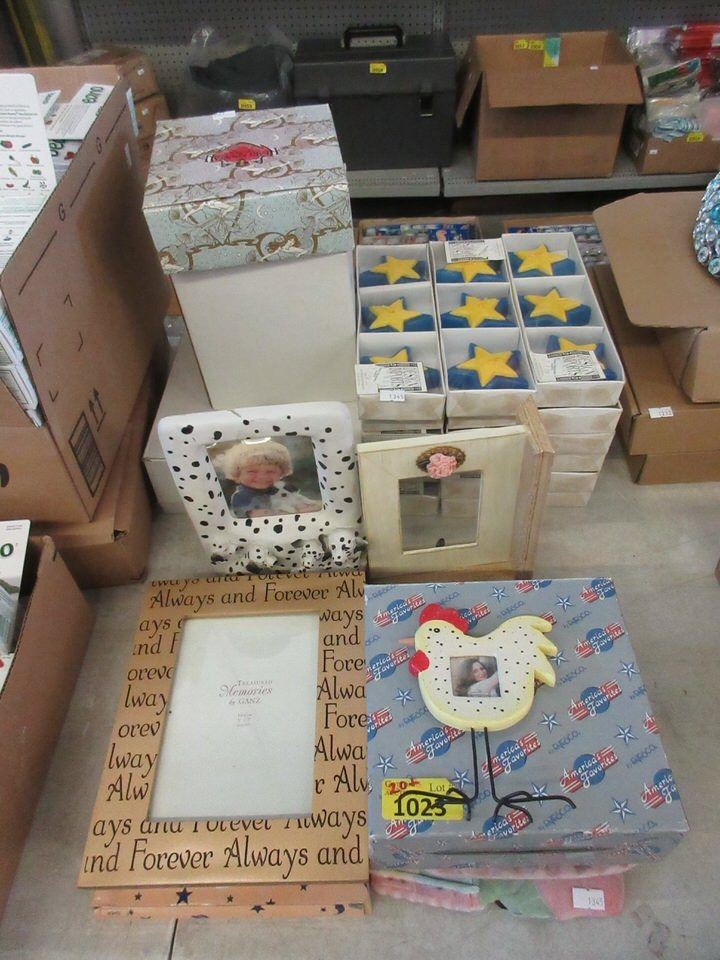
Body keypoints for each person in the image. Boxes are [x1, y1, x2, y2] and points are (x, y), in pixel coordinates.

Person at [211, 440, 321, 519]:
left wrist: (308, 507)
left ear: (281, 472)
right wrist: (295, 512)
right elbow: (260, 517)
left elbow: (300, 500)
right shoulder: (242, 497)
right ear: (237, 473)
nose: (262, 477)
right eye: (252, 472)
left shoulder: (283, 487)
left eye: (270, 471)